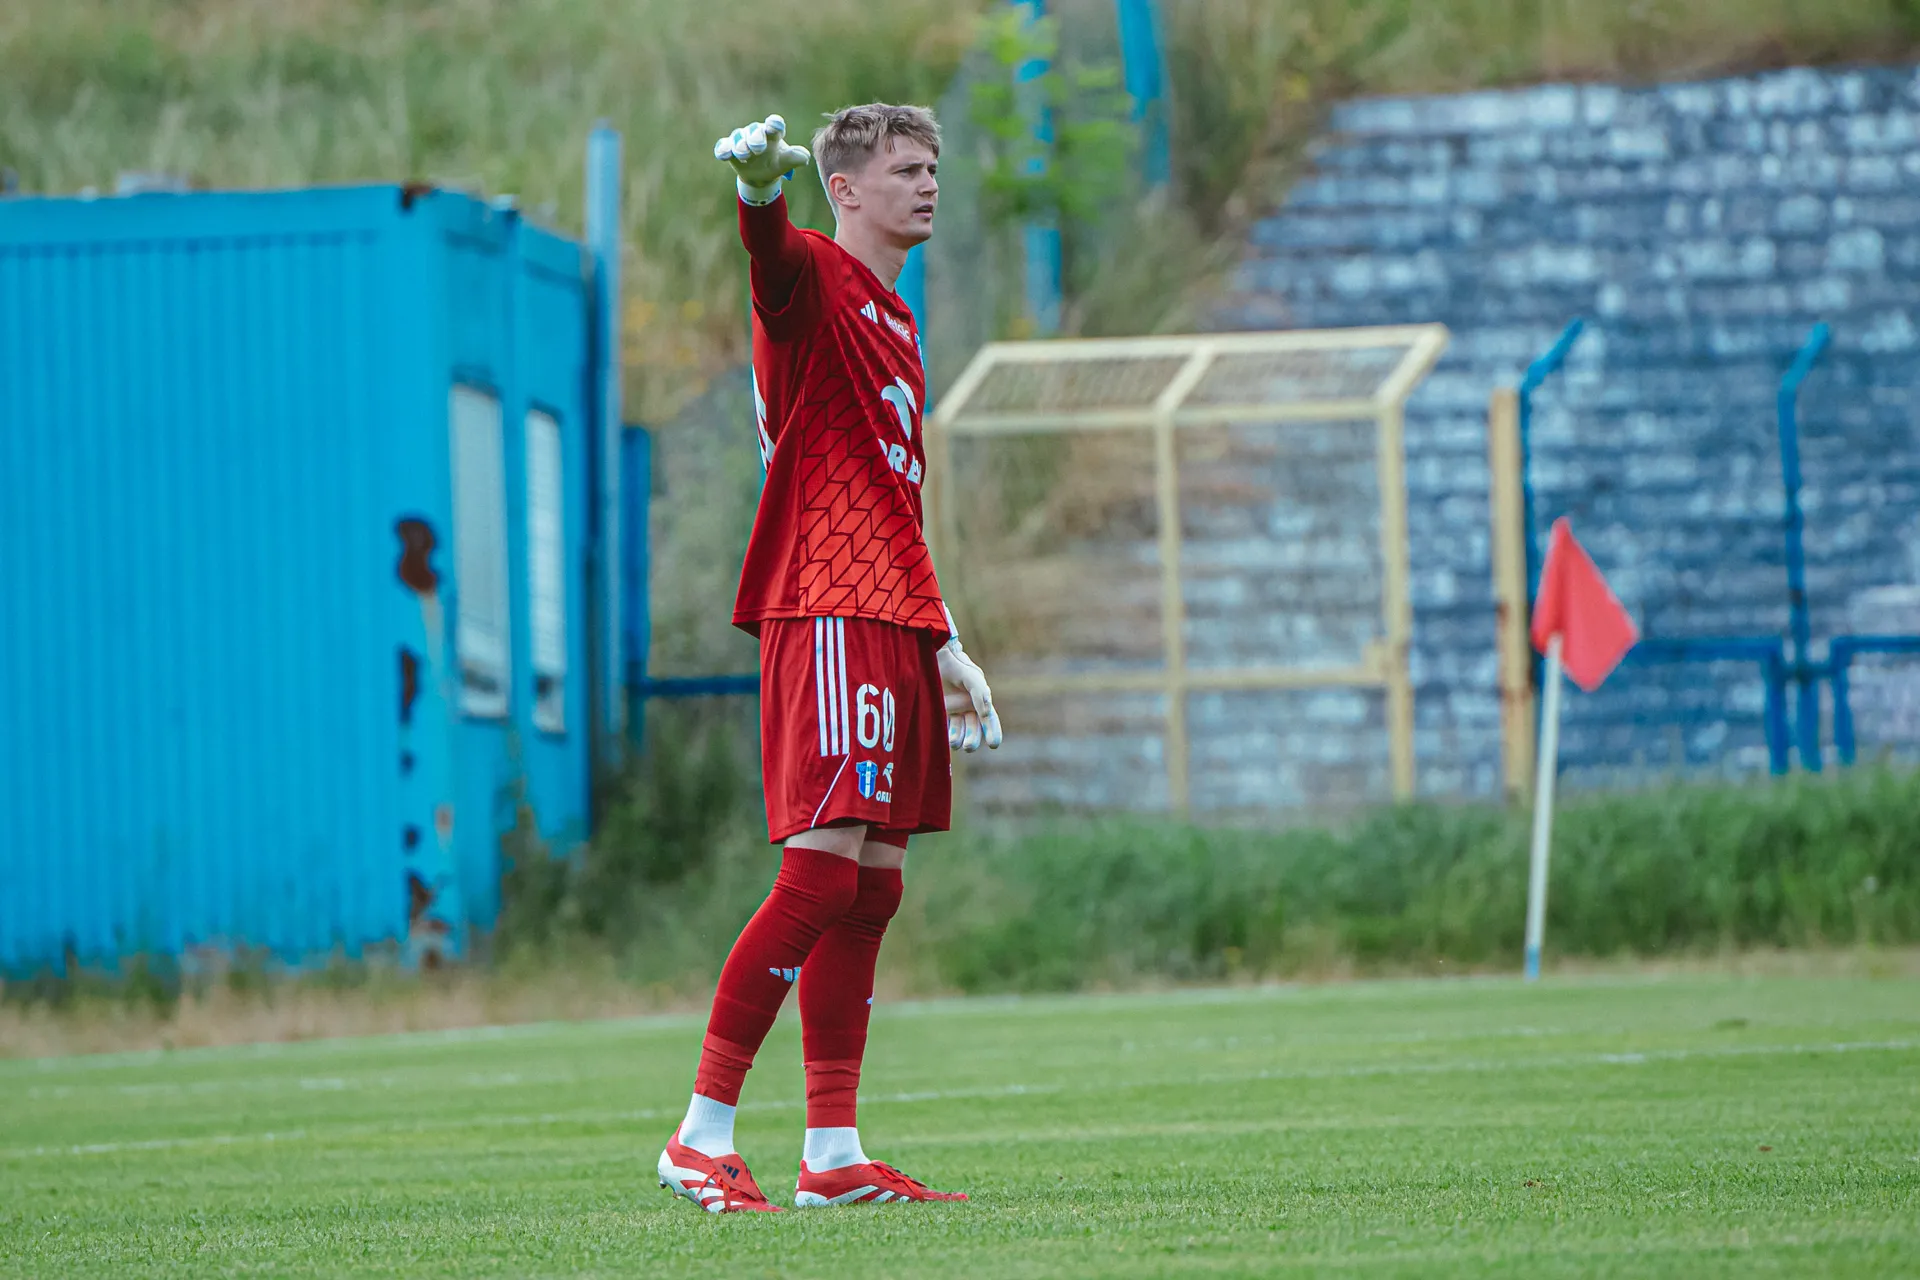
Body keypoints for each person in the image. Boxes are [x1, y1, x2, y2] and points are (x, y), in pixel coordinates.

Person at [656, 103, 1003, 1214]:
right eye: (905, 168)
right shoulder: (811, 273)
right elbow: (769, 263)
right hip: (827, 604)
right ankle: (701, 1134)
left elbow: (896, 497)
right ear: (843, 188)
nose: (928, 182)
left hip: (890, 614)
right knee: (819, 870)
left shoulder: (897, 316)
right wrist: (760, 193)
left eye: (933, 166)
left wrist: (944, 638)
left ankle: (833, 1151)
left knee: (872, 884)